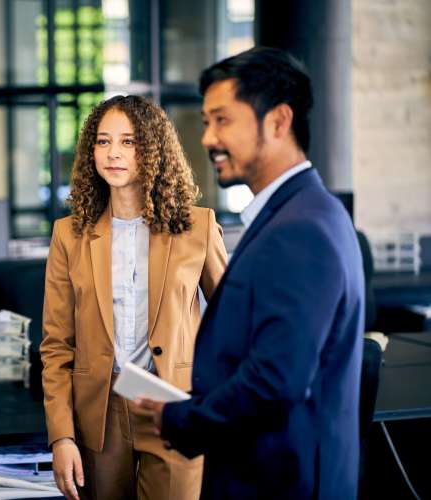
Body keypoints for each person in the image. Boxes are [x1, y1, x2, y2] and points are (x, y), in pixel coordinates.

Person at [137, 47, 365, 499]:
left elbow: (276, 380)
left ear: (279, 121)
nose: (207, 138)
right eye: (206, 122)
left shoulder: (300, 228)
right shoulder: (299, 213)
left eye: (223, 120)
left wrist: (179, 418)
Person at [41, 94, 227, 500]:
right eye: (104, 141)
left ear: (153, 149)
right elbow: (57, 347)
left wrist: (212, 402)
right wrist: (61, 438)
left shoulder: (197, 226)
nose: (113, 153)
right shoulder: (68, 235)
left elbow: (234, 325)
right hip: (100, 415)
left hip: (173, 405)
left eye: (128, 141)